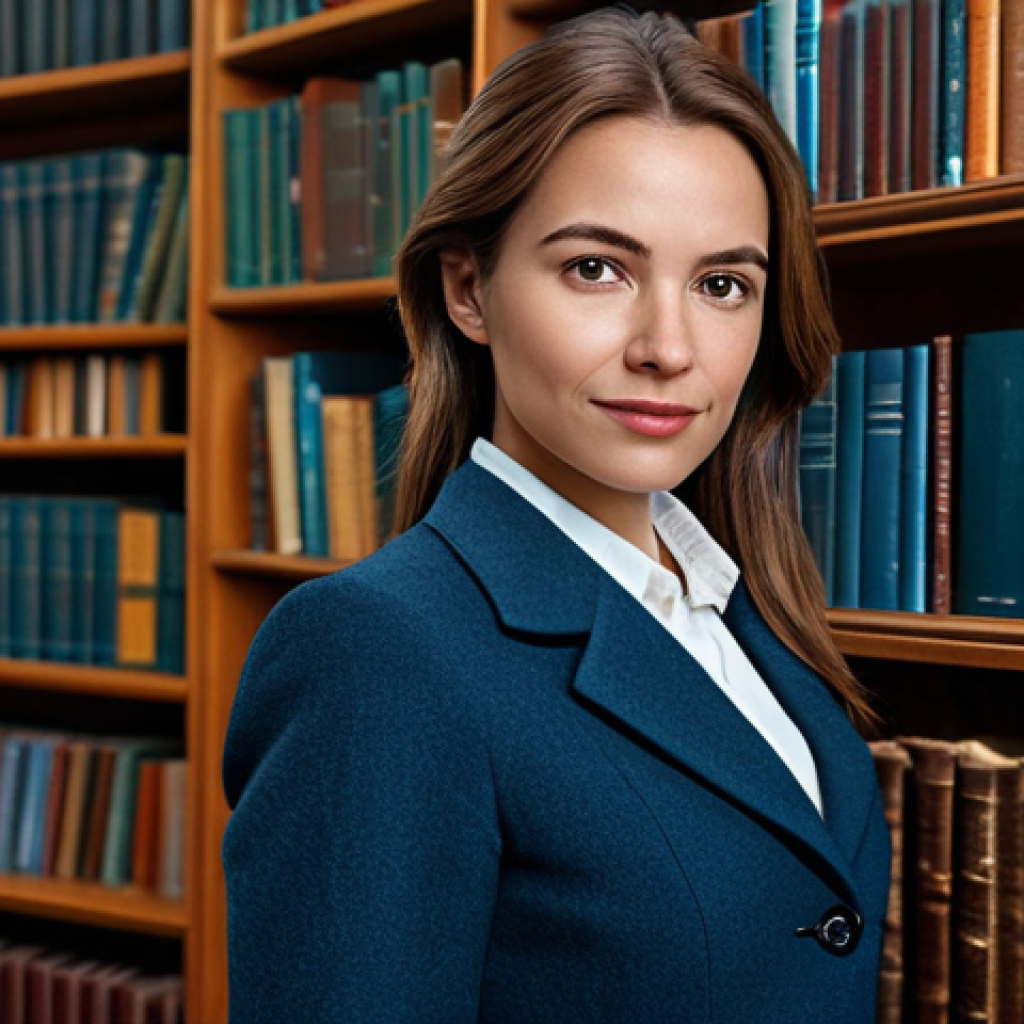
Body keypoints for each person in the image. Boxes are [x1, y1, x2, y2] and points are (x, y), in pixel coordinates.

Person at [221, 8, 891, 1022]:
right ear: (468, 290)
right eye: (596, 269)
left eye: (721, 284)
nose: (668, 347)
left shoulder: (745, 611)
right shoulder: (374, 651)